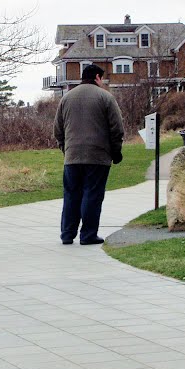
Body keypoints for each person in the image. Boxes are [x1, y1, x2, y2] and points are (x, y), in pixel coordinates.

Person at [54, 64, 125, 245]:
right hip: (98, 157)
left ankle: (67, 234)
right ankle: (88, 235)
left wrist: (66, 149)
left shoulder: (66, 98)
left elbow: (58, 130)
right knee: (92, 194)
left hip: (72, 157)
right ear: (97, 77)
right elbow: (116, 128)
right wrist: (116, 151)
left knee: (71, 195)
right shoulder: (106, 97)